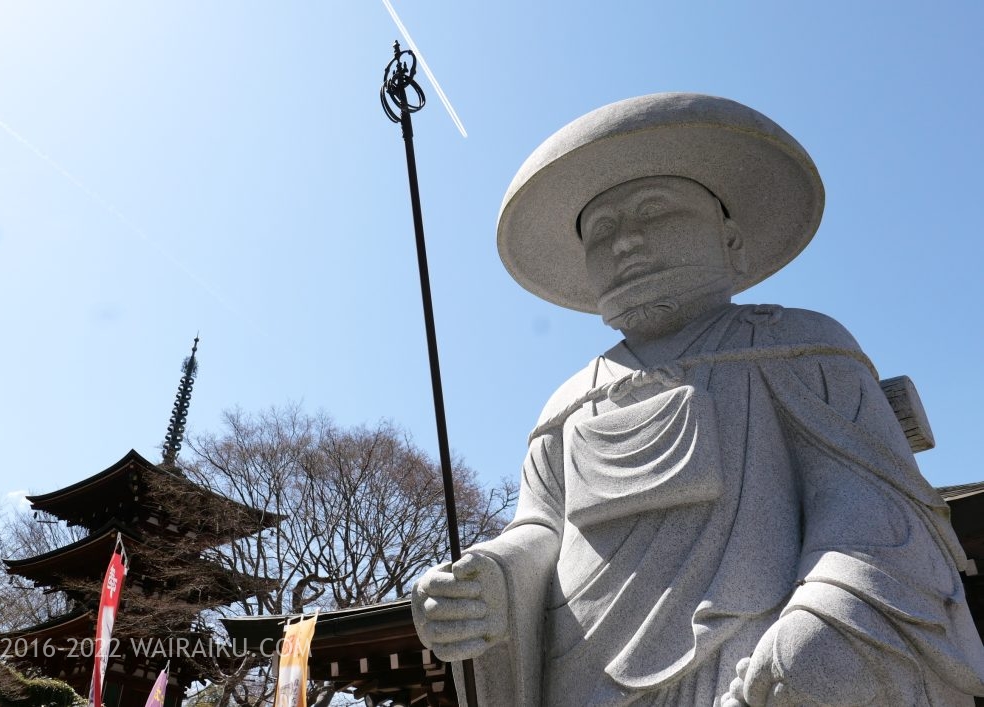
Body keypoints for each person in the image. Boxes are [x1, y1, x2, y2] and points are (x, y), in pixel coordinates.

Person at [411, 93, 984, 706]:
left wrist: (827, 620)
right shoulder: (568, 403)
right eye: (601, 230)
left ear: (730, 239)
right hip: (582, 679)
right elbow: (540, 526)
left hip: (749, 664)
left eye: (653, 211)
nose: (625, 242)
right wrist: (490, 579)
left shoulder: (797, 345)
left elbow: (869, 508)